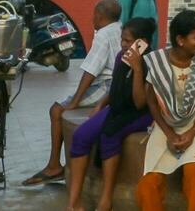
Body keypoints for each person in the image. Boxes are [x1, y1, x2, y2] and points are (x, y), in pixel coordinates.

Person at [23, 0, 124, 185]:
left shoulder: (103, 34)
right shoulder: (120, 28)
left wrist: (75, 101)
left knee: (57, 109)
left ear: (99, 16)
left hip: (107, 85)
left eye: (94, 15)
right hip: (116, 83)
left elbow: (91, 71)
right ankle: (54, 165)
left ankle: (54, 166)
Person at [64, 17, 157, 211]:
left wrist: (138, 68)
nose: (123, 45)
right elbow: (116, 86)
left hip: (140, 114)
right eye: (122, 39)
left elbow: (140, 102)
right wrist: (101, 103)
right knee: (81, 136)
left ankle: (105, 200)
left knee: (110, 135)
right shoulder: (120, 58)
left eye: (128, 41)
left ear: (142, 42)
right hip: (117, 108)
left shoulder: (151, 62)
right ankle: (74, 203)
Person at [136, 9, 195, 211]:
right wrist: (169, 133)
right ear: (180, 40)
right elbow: (151, 101)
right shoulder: (159, 63)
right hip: (169, 120)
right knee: (150, 181)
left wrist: (192, 133)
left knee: (193, 170)